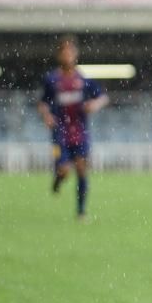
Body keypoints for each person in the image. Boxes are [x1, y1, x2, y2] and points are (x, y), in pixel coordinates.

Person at [37, 34, 109, 220]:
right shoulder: (52, 80)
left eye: (71, 50)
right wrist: (46, 115)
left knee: (81, 169)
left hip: (80, 132)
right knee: (64, 170)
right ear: (59, 55)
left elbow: (102, 97)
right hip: (59, 133)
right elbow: (42, 102)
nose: (68, 54)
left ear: (76, 54)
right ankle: (58, 180)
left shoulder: (83, 80)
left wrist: (95, 105)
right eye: (64, 51)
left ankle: (81, 211)